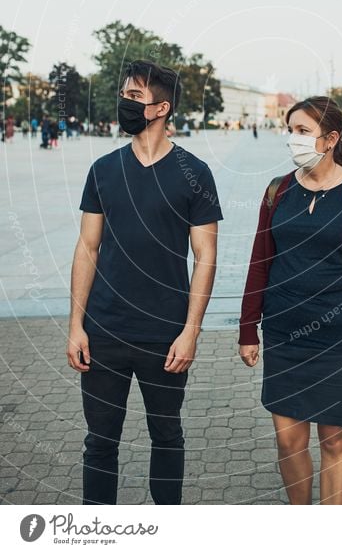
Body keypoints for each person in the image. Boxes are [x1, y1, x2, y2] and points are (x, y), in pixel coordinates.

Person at [66, 60, 223, 505]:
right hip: (104, 332)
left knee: (167, 436)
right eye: (125, 95)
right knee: (99, 441)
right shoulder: (103, 169)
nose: (125, 103)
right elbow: (87, 248)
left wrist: (191, 331)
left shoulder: (196, 174)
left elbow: (206, 256)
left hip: (165, 335)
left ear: (161, 108)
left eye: (135, 97)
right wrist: (76, 324)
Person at [239, 96, 342, 505]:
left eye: (303, 131)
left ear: (330, 138)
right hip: (285, 336)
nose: (293, 139)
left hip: (341, 341)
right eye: (290, 131)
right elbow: (259, 262)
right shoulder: (277, 191)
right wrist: (247, 329)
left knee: (335, 441)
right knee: (288, 442)